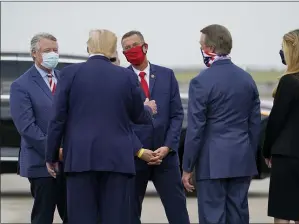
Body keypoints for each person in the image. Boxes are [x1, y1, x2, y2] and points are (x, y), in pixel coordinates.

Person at [45, 29, 157, 224]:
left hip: (80, 159)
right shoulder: (126, 76)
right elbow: (139, 117)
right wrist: (148, 109)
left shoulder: (70, 74)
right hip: (117, 161)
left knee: (81, 218)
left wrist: (51, 155)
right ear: (113, 50)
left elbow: (57, 119)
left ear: (88, 47)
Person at [182, 24, 261, 224]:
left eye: (201, 45)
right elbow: (254, 124)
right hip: (242, 158)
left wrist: (187, 166)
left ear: (209, 48)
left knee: (212, 217)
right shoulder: (247, 79)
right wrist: (249, 154)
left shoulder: (201, 81)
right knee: (238, 216)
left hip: (212, 162)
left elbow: (196, 129)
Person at [121, 30, 190, 224]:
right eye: (125, 48)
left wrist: (167, 146)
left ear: (145, 46)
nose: (130, 50)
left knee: (177, 209)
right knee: (130, 212)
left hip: (165, 158)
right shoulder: (121, 78)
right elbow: (121, 120)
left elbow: (177, 115)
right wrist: (139, 150)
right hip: (134, 157)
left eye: (133, 46)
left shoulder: (166, 75)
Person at [262, 29, 299, 224]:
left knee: (282, 212)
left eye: (283, 48)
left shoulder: (288, 81)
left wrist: (266, 150)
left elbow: (276, 121)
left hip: (285, 155)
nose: (282, 52)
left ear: (292, 52)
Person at [9, 32, 68, 224]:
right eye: (47, 50)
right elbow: (27, 127)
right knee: (43, 215)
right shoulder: (21, 85)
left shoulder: (64, 79)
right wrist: (52, 151)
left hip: (69, 161)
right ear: (34, 53)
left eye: (55, 50)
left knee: (74, 215)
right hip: (41, 163)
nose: (53, 54)